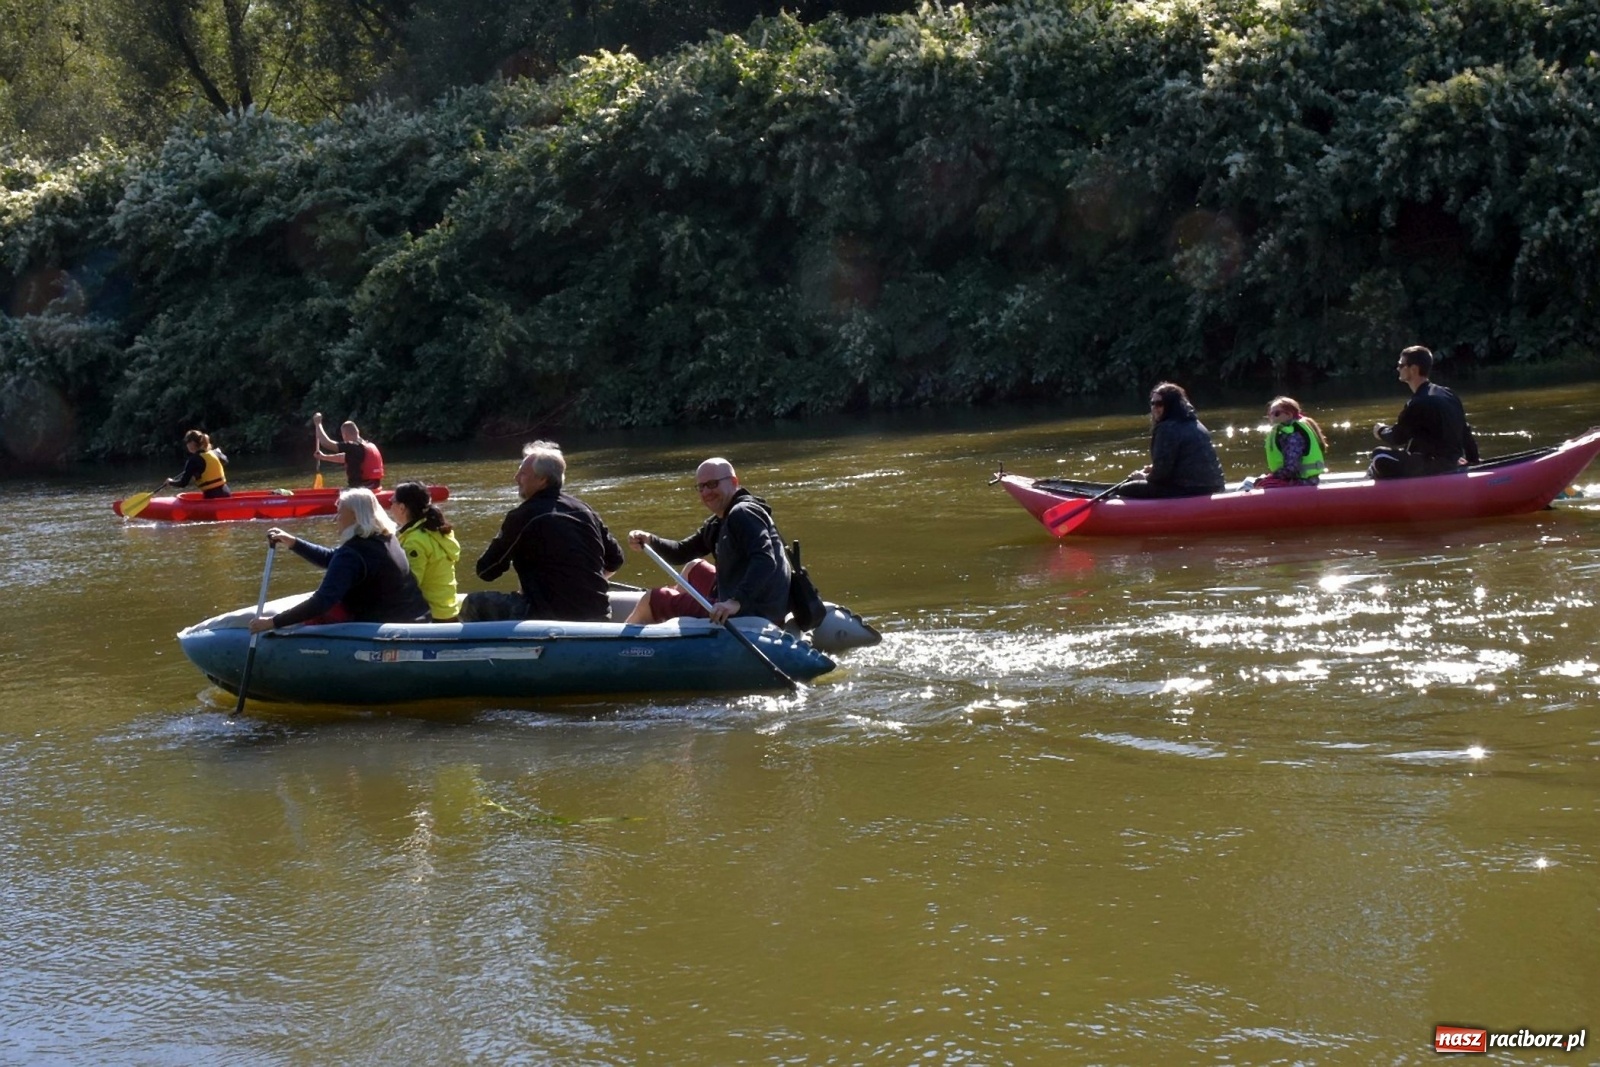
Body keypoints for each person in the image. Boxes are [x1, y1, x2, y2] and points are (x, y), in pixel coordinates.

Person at [462, 441, 625, 622]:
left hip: (547, 617)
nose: (516, 478)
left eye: (522, 473)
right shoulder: (585, 510)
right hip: (599, 614)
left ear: (542, 480)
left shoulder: (523, 516)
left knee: (473, 603)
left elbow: (486, 571)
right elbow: (616, 560)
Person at [624, 457, 792, 626]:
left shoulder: (743, 513)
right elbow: (681, 552)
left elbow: (765, 560)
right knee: (694, 567)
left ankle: (620, 643)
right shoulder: (719, 522)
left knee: (653, 599)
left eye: (712, 484)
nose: (705, 492)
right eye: (701, 487)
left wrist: (736, 601)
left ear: (734, 482)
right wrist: (650, 540)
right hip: (745, 600)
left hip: (752, 612)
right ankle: (674, 627)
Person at [247, 488, 428, 632]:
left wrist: (273, 622)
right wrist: (293, 542)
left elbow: (322, 601)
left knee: (320, 615)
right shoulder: (385, 538)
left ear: (356, 516)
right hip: (413, 616)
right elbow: (333, 558)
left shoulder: (353, 552)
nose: (335, 518)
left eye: (340, 513)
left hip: (383, 628)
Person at [1368, 346, 1480, 479]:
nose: (1398, 368)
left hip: (1436, 467)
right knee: (1407, 450)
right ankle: (1372, 474)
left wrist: (1380, 430)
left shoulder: (1418, 403)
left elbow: (1397, 437)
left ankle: (1372, 480)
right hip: (1450, 462)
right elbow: (1465, 433)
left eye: (1401, 365)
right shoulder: (1449, 393)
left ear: (1414, 369)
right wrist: (1474, 463)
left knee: (1379, 455)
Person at [1117, 382, 1226, 498]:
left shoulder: (1166, 428)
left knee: (1126, 488)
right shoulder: (1195, 423)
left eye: (1159, 404)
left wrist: (1143, 477)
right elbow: (1181, 463)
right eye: (1152, 403)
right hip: (1216, 486)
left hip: (1190, 491)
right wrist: (1155, 468)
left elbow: (1160, 476)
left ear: (1171, 405)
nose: (1154, 408)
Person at [389, 481, 463, 622]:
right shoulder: (437, 531)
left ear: (402, 507)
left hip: (431, 617)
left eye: (392, 502)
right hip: (448, 611)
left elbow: (411, 584)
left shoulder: (414, 542)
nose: (390, 507)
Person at [1256, 396, 1328, 487]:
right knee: (1253, 482)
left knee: (1258, 484)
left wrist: (1273, 476)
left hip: (1303, 483)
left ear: (1289, 415)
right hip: (1298, 481)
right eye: (1270, 414)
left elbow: (1291, 468)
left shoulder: (1293, 435)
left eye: (1276, 413)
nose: (1272, 417)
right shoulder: (1284, 432)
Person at [313, 412, 384, 489]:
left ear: (344, 435)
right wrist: (323, 457)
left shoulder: (353, 446)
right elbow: (343, 457)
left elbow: (326, 443)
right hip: (374, 485)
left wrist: (318, 424)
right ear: (357, 432)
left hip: (361, 488)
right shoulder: (367, 445)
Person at [167, 429, 231, 498]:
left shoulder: (193, 460)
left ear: (192, 443)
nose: (187, 445)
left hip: (211, 496)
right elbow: (226, 461)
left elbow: (183, 483)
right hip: (226, 493)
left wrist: (170, 482)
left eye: (187, 442)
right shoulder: (215, 453)